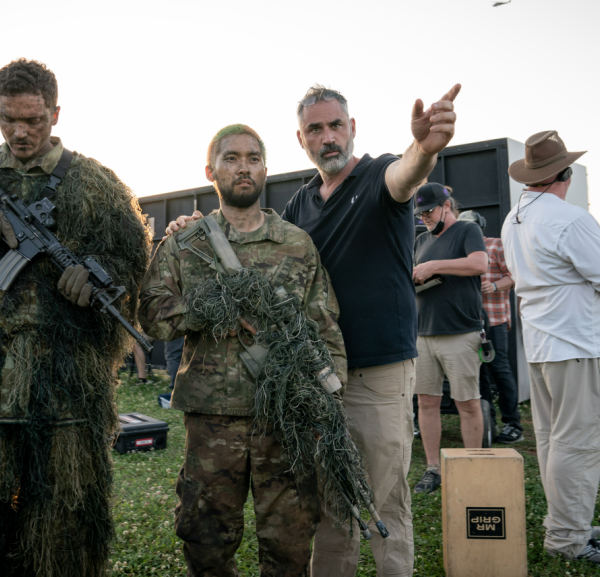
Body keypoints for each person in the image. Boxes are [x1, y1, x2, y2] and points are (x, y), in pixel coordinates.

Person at [165, 83, 460, 577]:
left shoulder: (377, 177)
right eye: (315, 129)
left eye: (335, 125)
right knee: (345, 499)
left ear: (352, 128)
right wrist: (197, 229)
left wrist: (424, 150)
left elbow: (407, 175)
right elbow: (253, 244)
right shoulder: (301, 204)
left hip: (376, 372)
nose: (328, 138)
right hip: (313, 377)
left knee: (370, 498)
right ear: (301, 139)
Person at [0, 58, 150, 577]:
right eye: (8, 118)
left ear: (56, 114)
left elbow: (129, 259)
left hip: (63, 385)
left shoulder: (94, 184)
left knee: (62, 523)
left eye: (33, 120)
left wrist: (97, 274)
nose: (20, 132)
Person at [139, 124, 346, 576]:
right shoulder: (186, 243)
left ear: (266, 169)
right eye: (231, 158)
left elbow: (324, 326)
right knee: (206, 539)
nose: (243, 167)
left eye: (253, 157)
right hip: (212, 419)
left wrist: (328, 399)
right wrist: (211, 309)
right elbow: (152, 314)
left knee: (290, 542)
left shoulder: (296, 244)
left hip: (285, 418)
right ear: (210, 170)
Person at [501, 130, 600, 566]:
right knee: (577, 442)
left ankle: (568, 520)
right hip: (581, 343)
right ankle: (568, 538)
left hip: (543, 345)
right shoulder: (570, 218)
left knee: (553, 441)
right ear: (564, 175)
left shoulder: (512, 218)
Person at [411, 184, 488, 495]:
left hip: (461, 332)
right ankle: (433, 469)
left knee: (467, 403)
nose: (425, 218)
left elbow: (479, 264)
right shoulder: (420, 240)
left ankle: (473, 468)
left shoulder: (467, 230)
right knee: (426, 403)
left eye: (429, 211)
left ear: (446, 205)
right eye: (420, 214)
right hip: (424, 333)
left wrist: (434, 266)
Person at [457, 210, 524, 444]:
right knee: (479, 375)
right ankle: (488, 423)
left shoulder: (496, 246)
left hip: (494, 321)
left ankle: (512, 424)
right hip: (470, 324)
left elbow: (515, 276)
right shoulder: (460, 251)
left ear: (480, 227)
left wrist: (494, 287)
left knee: (500, 370)